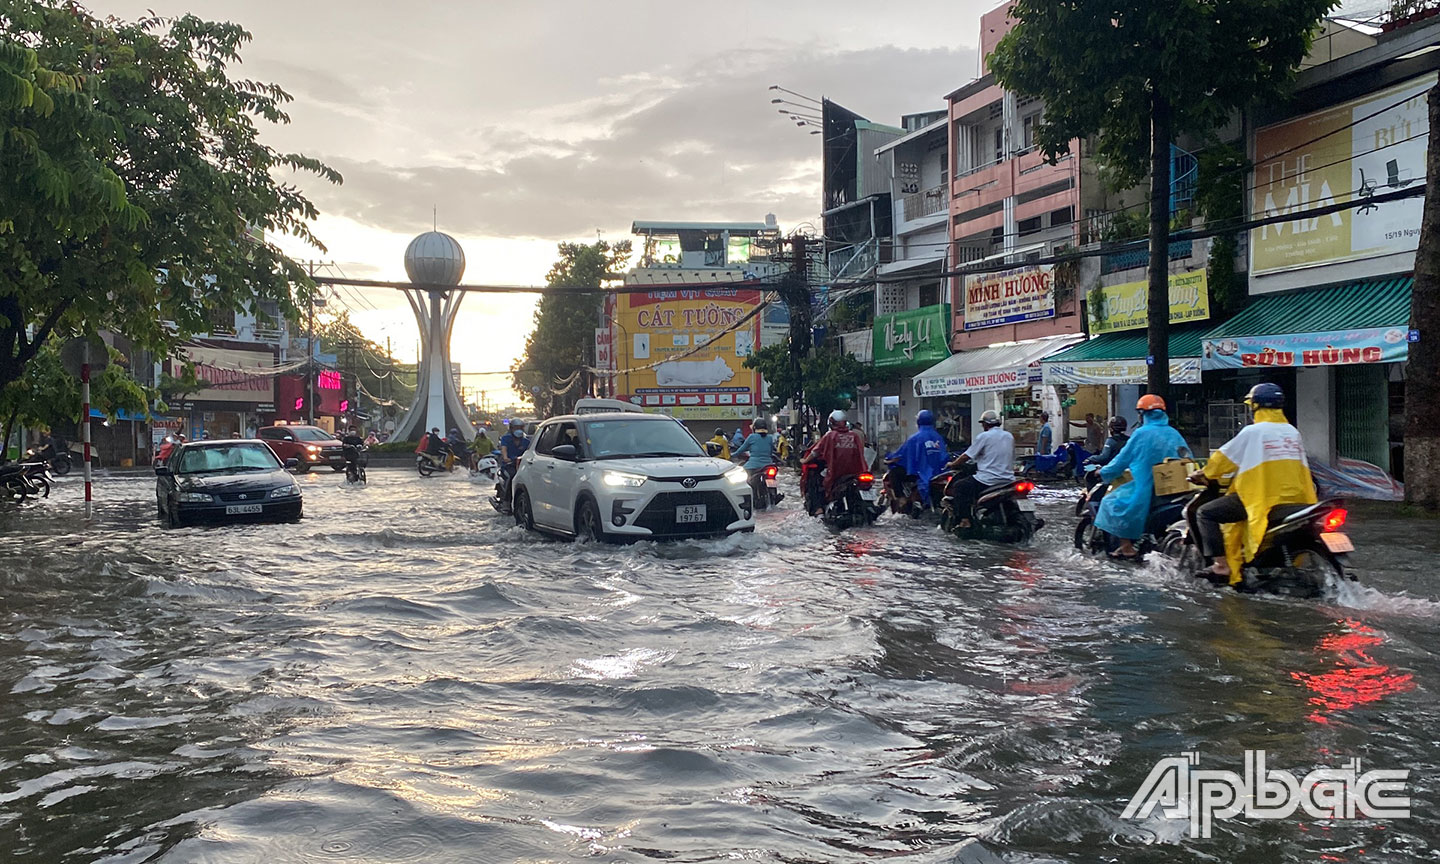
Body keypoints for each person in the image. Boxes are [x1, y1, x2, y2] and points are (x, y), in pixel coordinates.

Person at [1189, 383, 1316, 588]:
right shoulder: (1292, 432)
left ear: (1254, 406)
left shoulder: (1253, 431)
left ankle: (1221, 566)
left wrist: (1204, 473)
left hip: (1262, 498)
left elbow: (1223, 459)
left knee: (1205, 513)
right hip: (1296, 499)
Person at [1094, 395, 1190, 560]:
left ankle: (1126, 546)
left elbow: (1121, 460)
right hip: (1176, 486)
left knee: (1112, 503)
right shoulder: (1173, 433)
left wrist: (1103, 472)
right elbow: (1187, 457)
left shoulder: (1141, 433)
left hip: (1147, 484)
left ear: (1142, 414)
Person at [944, 409, 1014, 529]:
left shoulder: (984, 436)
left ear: (985, 424)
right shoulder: (1009, 436)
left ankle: (965, 520)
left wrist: (953, 464)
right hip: (1008, 479)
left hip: (988, 480)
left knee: (960, 486)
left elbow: (966, 456)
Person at [886, 409, 948, 511]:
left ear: (918, 422)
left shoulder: (914, 438)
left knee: (894, 473)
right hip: (938, 472)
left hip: (917, 473)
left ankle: (901, 499)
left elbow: (901, 454)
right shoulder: (938, 438)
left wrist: (890, 458)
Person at [802, 409, 868, 504]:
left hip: (835, 471)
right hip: (856, 472)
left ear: (831, 423)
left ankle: (819, 508)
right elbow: (860, 453)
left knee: (817, 483)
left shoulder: (830, 435)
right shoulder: (854, 435)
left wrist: (805, 460)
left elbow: (816, 452)